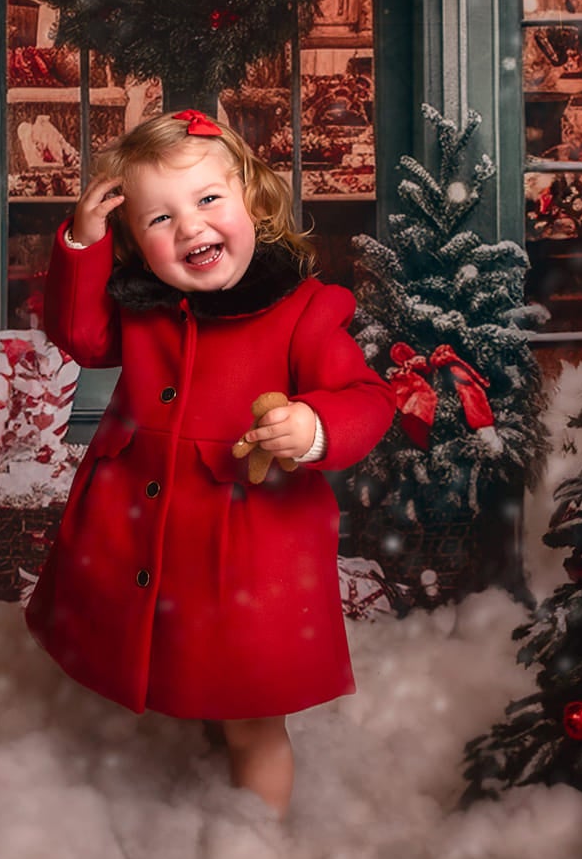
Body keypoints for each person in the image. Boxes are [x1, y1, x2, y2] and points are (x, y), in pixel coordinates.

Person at [27, 108, 397, 819]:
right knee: (166, 648)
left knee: (251, 711)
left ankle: (254, 852)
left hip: (247, 547)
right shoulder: (143, 307)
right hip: (142, 523)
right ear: (135, 239)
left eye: (207, 200)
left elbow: (366, 398)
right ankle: (179, 751)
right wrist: (81, 240)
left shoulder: (304, 309)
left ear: (251, 198)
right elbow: (77, 334)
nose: (191, 227)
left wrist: (314, 423)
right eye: (159, 219)